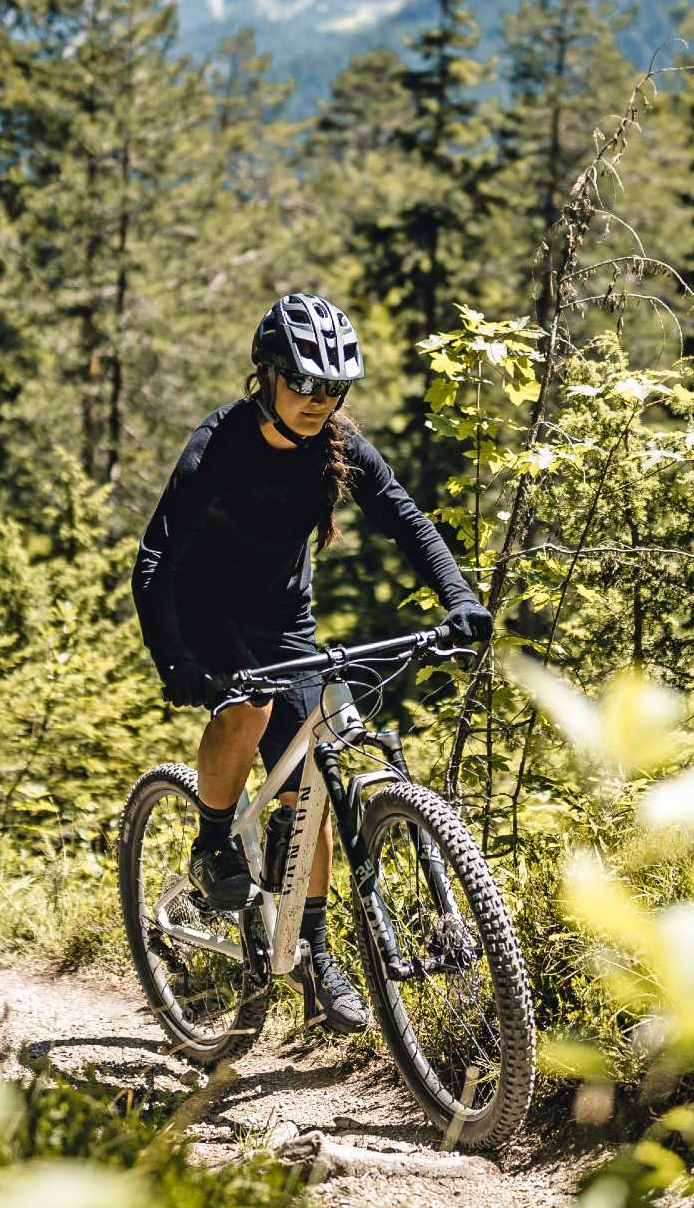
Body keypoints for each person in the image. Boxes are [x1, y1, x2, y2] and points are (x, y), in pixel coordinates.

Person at [132, 293, 492, 1033]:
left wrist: (458, 599)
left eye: (333, 389)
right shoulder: (217, 445)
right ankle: (211, 842)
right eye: (303, 384)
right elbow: (154, 562)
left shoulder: (339, 444)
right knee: (250, 705)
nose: (317, 401)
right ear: (266, 375)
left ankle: (317, 956)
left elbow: (406, 518)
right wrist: (175, 662)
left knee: (312, 782)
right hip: (206, 611)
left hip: (284, 620)